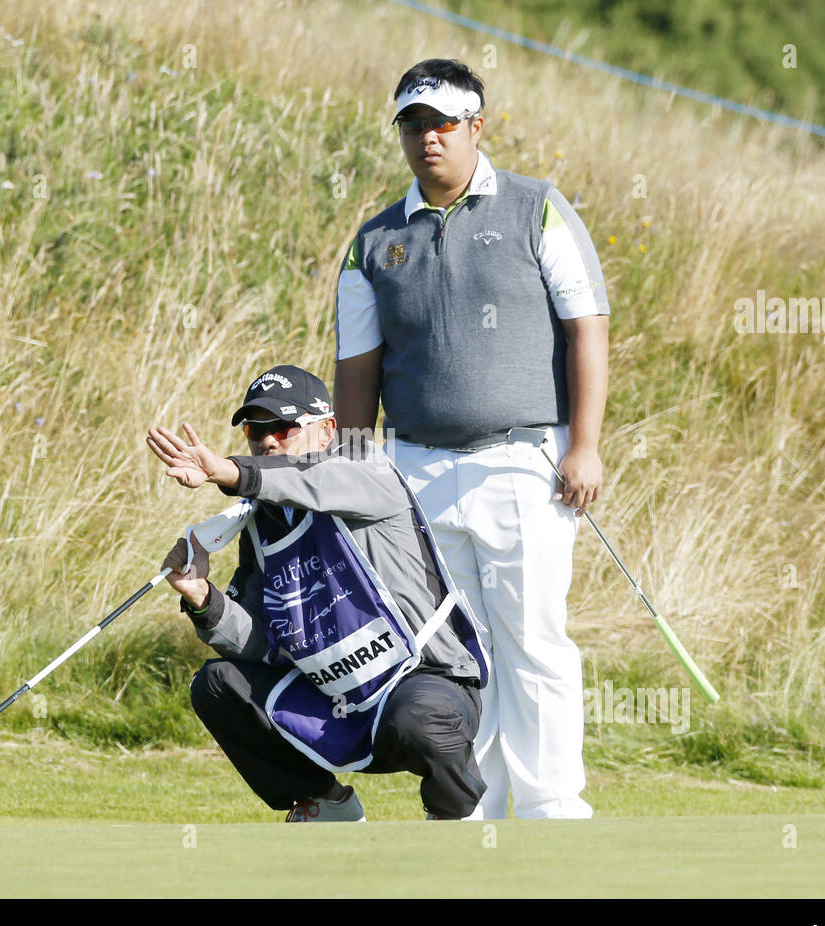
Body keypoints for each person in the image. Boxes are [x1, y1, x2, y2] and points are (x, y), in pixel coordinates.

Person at [332, 59, 610, 819]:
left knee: (531, 638)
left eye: (443, 124)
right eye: (414, 126)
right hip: (414, 470)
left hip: (524, 461)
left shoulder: (537, 209)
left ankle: (553, 805)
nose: (428, 139)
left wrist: (584, 445)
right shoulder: (375, 241)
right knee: (451, 653)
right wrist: (355, 481)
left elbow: (587, 330)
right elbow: (356, 372)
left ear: (477, 126)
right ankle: (470, 809)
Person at [146, 364, 490, 821]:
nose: (268, 441)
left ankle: (452, 819)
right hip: (339, 702)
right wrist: (204, 599)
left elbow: (313, 482)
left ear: (327, 430)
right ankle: (326, 805)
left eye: (283, 427)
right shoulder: (263, 523)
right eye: (255, 430)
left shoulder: (364, 469)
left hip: (423, 684)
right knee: (217, 685)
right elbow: (263, 643)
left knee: (421, 720)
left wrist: (231, 472)